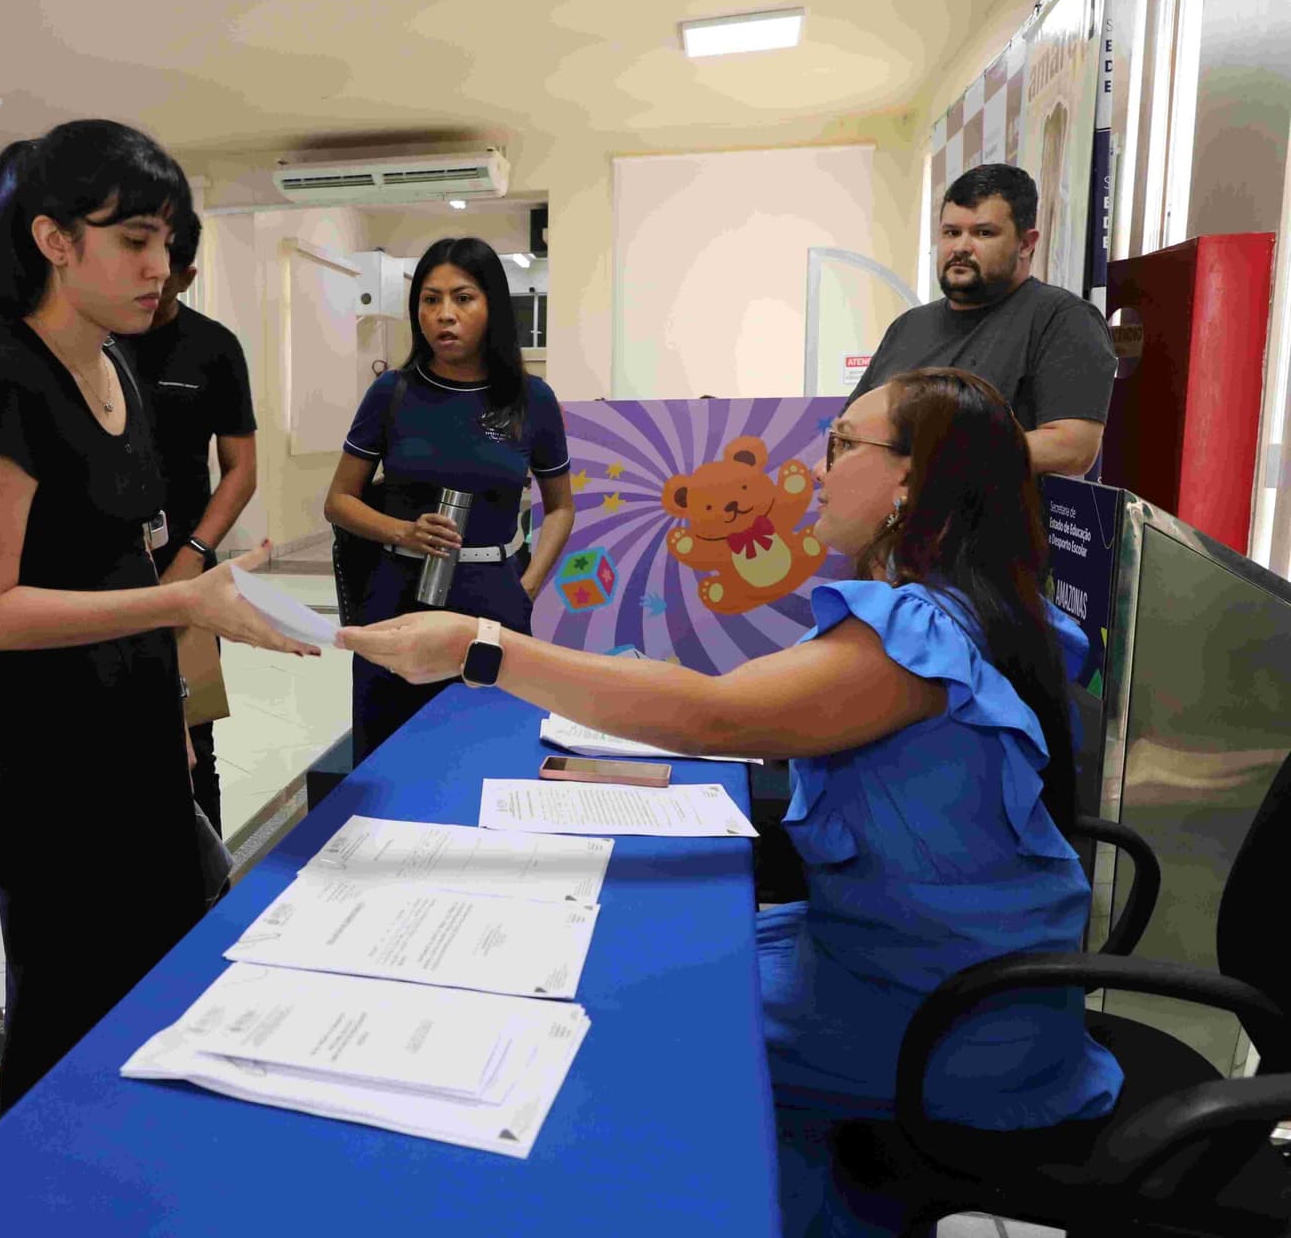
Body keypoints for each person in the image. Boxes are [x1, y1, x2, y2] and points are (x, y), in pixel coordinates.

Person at [342, 366, 1123, 1237]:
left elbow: (714, 713)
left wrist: (481, 647)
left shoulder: (917, 641)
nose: (821, 469)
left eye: (843, 445)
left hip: (942, 1022)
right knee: (648, 973)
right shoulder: (974, 607)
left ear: (910, 478)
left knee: (629, 1037)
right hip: (931, 970)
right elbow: (743, 701)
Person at [0, 121, 315, 1115]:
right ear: (55, 239)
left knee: (161, 981)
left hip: (137, 732)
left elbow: (124, 555)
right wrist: (185, 596)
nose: (161, 265)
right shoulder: (0, 379)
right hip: (45, 752)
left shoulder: (119, 372)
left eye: (167, 241)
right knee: (66, 1009)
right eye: (135, 240)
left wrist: (173, 723)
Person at [324, 236, 575, 762]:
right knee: (389, 750)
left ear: (493, 306)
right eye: (430, 300)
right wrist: (402, 532)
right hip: (398, 597)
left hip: (494, 600)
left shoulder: (533, 400)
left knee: (491, 750)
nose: (444, 315)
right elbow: (339, 501)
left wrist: (526, 586)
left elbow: (560, 507)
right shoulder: (391, 392)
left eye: (463, 298)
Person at [116, 202, 258, 833]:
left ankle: (207, 894)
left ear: (187, 274)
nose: (146, 276)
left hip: (187, 573)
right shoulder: (92, 338)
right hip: (99, 574)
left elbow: (241, 470)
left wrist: (193, 556)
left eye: (162, 267)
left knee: (194, 742)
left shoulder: (214, 349)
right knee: (110, 740)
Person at [846, 165, 1115, 477]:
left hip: (990, 523)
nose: (961, 247)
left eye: (983, 233)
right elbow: (852, 427)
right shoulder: (907, 327)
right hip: (888, 522)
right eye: (951, 232)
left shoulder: (1061, 319)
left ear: (1026, 243)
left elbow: (1071, 447)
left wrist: (933, 461)